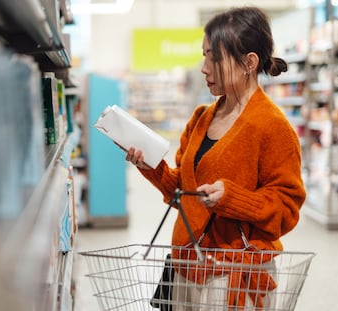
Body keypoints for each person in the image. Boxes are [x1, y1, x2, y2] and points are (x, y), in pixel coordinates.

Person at [126, 6, 306, 311]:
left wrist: (231, 198)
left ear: (249, 62)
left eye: (215, 58)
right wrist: (152, 168)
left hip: (234, 278)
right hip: (186, 270)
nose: (204, 67)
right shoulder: (201, 118)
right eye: (204, 55)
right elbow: (183, 194)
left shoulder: (273, 127)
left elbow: (286, 209)